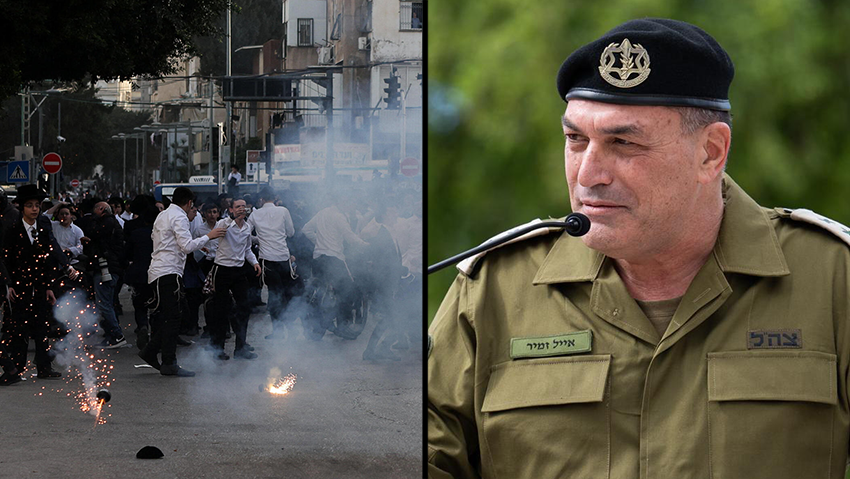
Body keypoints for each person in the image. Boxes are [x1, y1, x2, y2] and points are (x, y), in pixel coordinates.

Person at [428, 18, 850, 479]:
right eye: (575, 140)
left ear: (711, 152)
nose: (589, 174)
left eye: (623, 143)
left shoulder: (833, 278)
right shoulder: (495, 289)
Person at [140, 187, 226, 376]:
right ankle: (167, 361)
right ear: (188, 203)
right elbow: (186, 246)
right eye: (192, 206)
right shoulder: (178, 217)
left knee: (170, 316)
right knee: (173, 318)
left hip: (158, 271)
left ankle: (153, 353)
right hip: (168, 272)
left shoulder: (163, 215)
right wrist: (208, 237)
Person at [0, 186, 61, 385]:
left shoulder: (43, 230)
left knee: (42, 327)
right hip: (19, 287)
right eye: (29, 206)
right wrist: (9, 284)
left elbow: (48, 260)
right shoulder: (13, 230)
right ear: (21, 207)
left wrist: (49, 286)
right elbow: (5, 260)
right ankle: (16, 367)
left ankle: (44, 366)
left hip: (41, 286)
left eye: (37, 205)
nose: (34, 209)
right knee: (19, 328)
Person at [302, 193, 369, 339]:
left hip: (319, 258)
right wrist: (366, 245)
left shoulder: (322, 213)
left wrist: (319, 243)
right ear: (340, 202)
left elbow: (306, 229)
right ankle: (343, 326)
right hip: (334, 260)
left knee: (318, 292)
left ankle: (317, 328)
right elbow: (350, 237)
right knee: (346, 292)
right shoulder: (339, 216)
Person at [208, 198, 261, 360]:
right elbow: (218, 231)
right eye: (238, 207)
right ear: (231, 210)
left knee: (244, 308)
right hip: (222, 270)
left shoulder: (247, 227)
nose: (241, 209)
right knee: (221, 310)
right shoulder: (224, 223)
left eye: (243, 207)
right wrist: (232, 219)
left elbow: (247, 250)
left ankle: (240, 348)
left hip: (239, 271)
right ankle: (218, 349)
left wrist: (255, 262)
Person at [246, 187, 297, 340]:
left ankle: (278, 331)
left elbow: (245, 234)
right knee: (287, 294)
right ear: (275, 197)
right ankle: (291, 329)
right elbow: (291, 233)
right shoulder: (283, 211)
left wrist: (258, 239)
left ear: (261, 199)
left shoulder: (255, 214)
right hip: (283, 257)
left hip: (267, 259)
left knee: (274, 295)